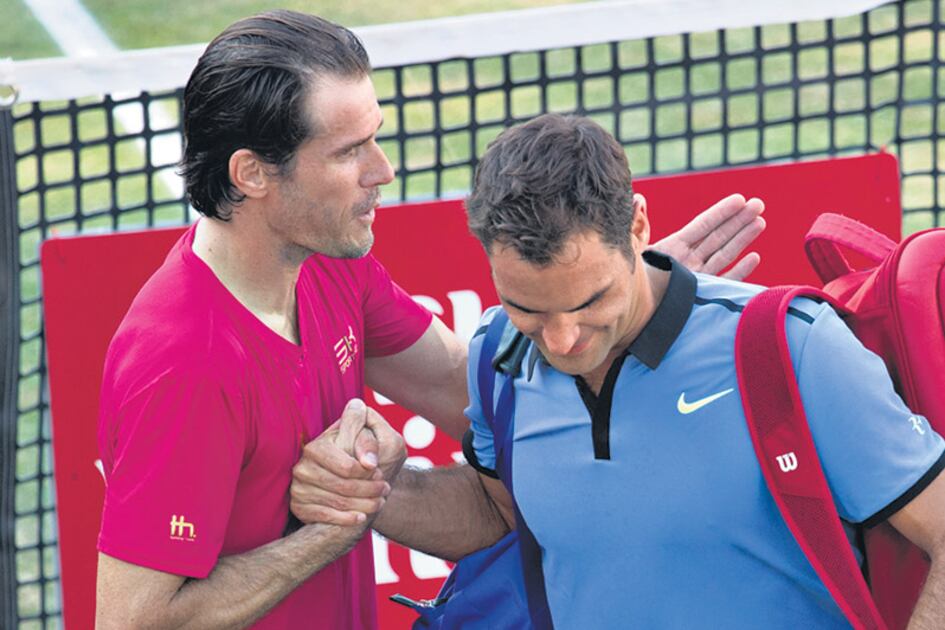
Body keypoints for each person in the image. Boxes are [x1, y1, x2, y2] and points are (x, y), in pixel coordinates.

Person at [94, 11, 766, 630]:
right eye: (347, 152)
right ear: (251, 174)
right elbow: (132, 621)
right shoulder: (184, 363)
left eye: (375, 139)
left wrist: (611, 305)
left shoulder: (332, 266)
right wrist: (329, 532)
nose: (382, 170)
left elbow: (480, 394)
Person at [291, 113, 945, 629]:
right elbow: (500, 514)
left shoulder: (793, 348)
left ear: (637, 226)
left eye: (590, 301)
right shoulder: (499, 354)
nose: (562, 340)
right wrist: (376, 492)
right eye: (527, 308)